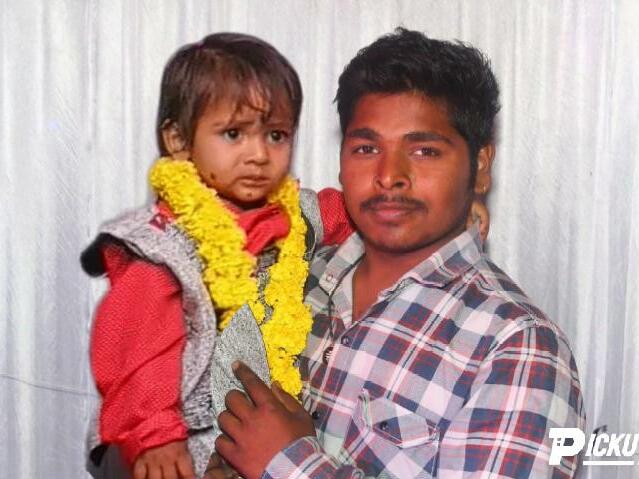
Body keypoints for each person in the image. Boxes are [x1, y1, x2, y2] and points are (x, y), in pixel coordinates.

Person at [214, 28, 586, 479]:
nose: (390, 175)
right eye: (367, 148)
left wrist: (288, 463)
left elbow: (277, 458)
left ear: (480, 167)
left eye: (425, 151)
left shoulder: (517, 347)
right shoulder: (294, 278)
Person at [80, 32, 358, 479]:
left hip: (265, 435)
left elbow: (357, 211)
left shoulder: (294, 212)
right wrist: (154, 436)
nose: (259, 155)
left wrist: (444, 210)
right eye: (233, 133)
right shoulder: (163, 246)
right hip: (182, 438)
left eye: (276, 135)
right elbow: (134, 347)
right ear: (178, 140)